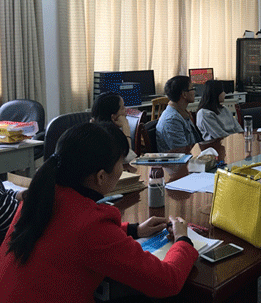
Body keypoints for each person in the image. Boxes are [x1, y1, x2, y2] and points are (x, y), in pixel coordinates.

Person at [0, 123, 197, 302]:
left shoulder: (40, 196)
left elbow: (65, 235)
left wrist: (134, 230)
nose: (124, 168)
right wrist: (183, 239)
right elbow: (167, 281)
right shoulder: (90, 224)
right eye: (121, 162)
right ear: (101, 176)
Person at [156, 75, 201, 152]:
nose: (194, 92)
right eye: (192, 89)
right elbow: (183, 151)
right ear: (184, 94)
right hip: (181, 159)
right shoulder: (172, 120)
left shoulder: (182, 112)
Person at [91, 91, 136, 161]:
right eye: (122, 108)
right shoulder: (107, 136)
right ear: (113, 116)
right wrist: (125, 127)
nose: (126, 110)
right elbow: (127, 158)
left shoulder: (94, 128)